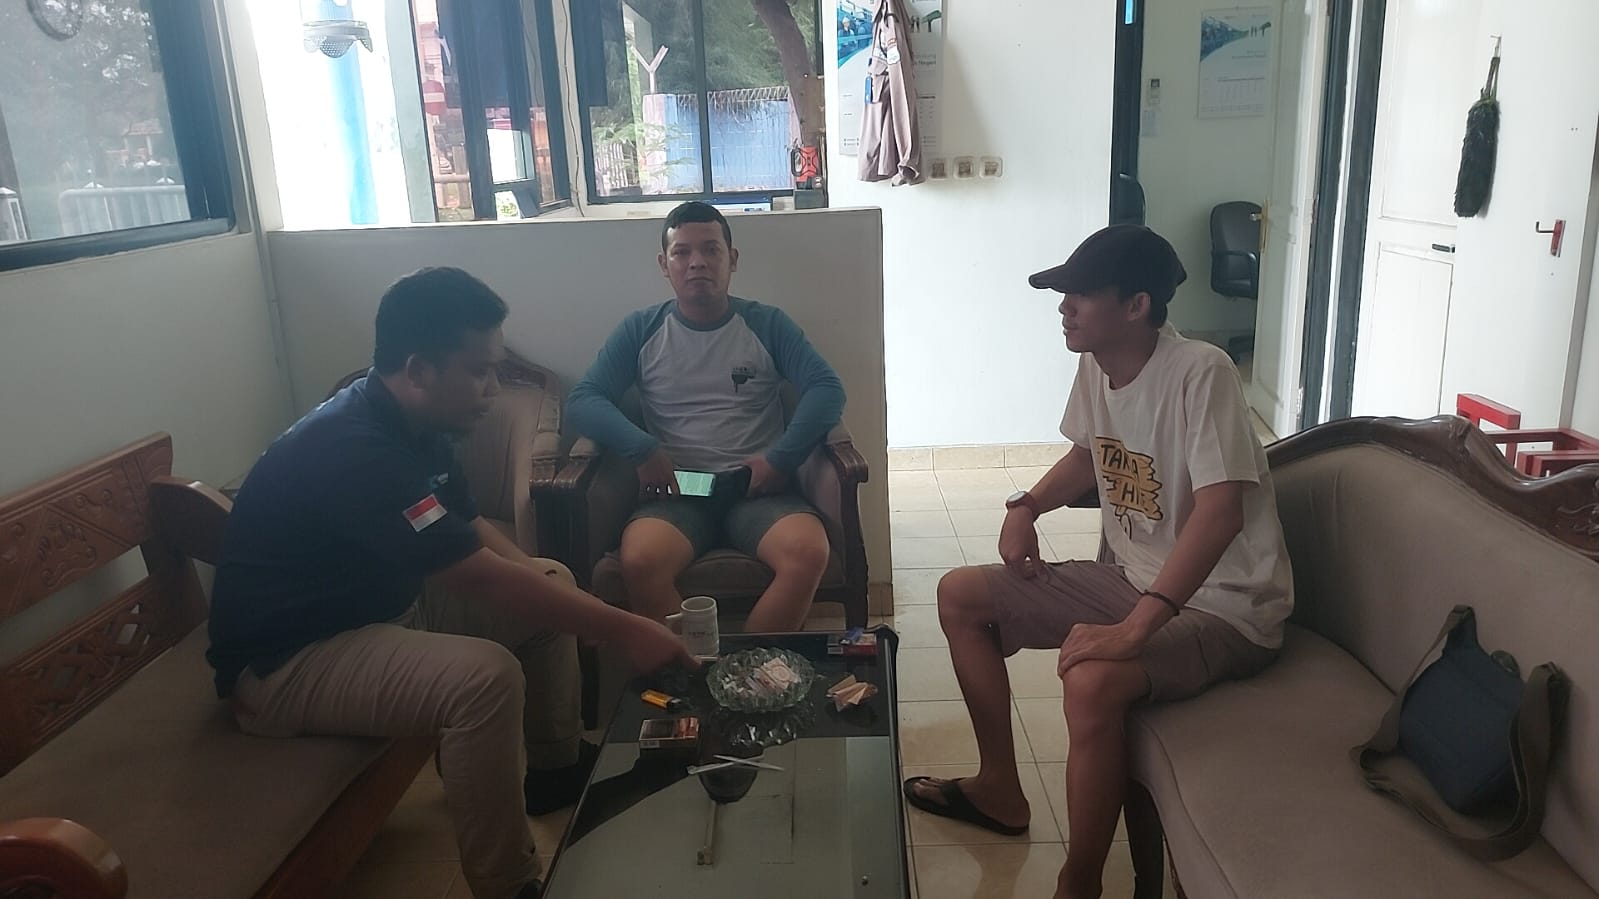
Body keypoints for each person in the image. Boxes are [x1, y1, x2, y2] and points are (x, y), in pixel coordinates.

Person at [206, 267, 694, 899]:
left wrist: (558, 594)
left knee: (551, 581)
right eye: (480, 371)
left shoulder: (420, 423)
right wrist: (626, 628)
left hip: (380, 608)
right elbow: (474, 577)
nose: (494, 388)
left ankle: (553, 767)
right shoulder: (355, 447)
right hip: (288, 664)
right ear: (418, 370)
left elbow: (468, 530)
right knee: (484, 680)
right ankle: (507, 884)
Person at [900, 225, 1294, 899]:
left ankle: (1077, 881)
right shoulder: (1097, 365)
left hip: (1225, 607)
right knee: (960, 594)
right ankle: (998, 788)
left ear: (1136, 305)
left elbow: (1221, 513)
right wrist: (1026, 506)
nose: (1065, 308)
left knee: (1089, 680)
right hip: (1131, 578)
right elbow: (1087, 456)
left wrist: (1136, 629)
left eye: (1080, 295)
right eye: (1064, 295)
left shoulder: (1201, 371)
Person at [566, 201, 846, 633]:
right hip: (677, 492)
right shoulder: (641, 330)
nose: (696, 262)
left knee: (808, 554)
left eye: (711, 249)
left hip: (757, 490)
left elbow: (826, 390)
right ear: (665, 265)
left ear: (732, 259)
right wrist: (642, 449)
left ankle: (753, 668)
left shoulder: (767, 324)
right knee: (640, 561)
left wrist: (781, 459)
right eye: (682, 252)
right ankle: (696, 667)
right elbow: (584, 400)